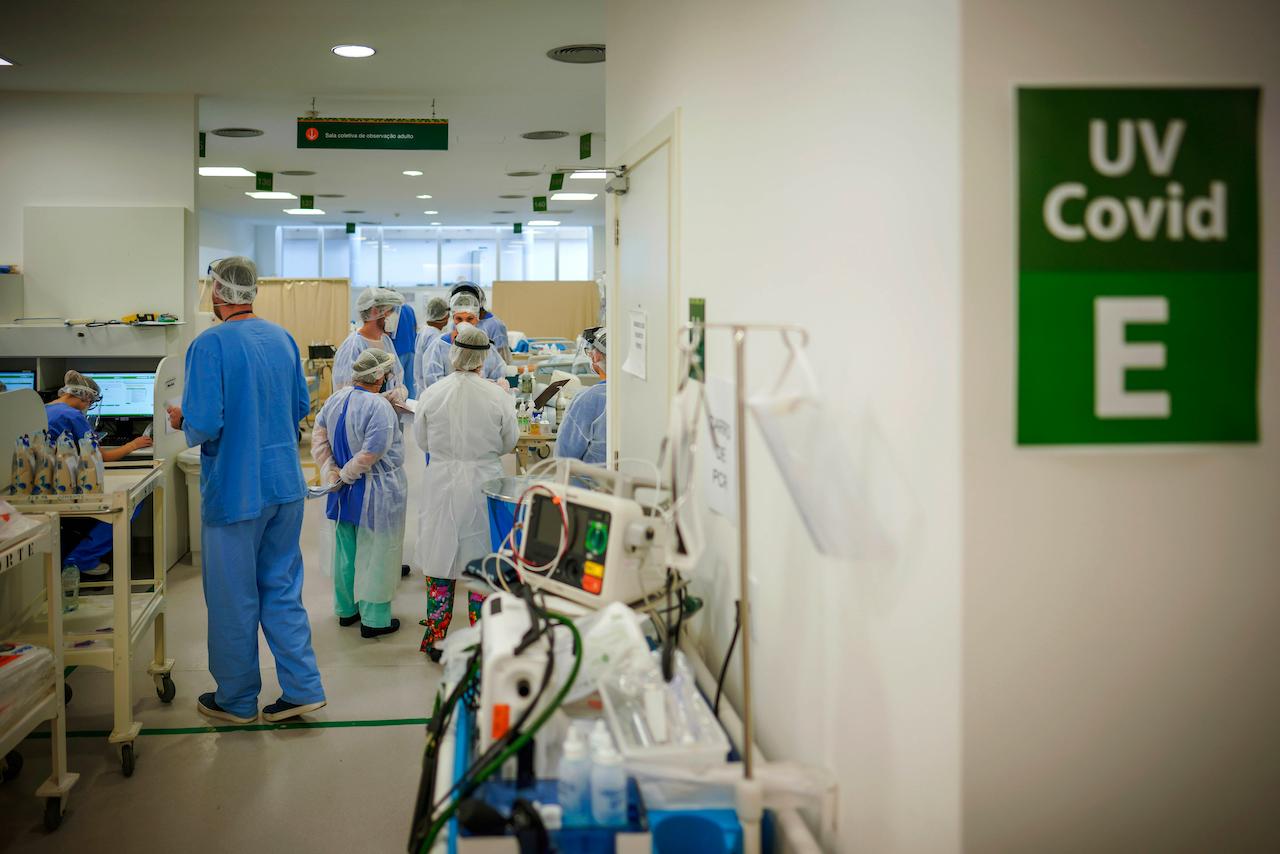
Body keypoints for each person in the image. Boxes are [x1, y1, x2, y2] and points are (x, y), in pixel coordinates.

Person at [166, 256, 325, 725]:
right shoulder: (282, 338)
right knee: (281, 587)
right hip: (284, 484)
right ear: (251, 292)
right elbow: (300, 403)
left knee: (234, 597)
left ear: (217, 292)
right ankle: (303, 689)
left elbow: (206, 422)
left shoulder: (209, 344)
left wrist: (181, 419)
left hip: (236, 491)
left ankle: (235, 699)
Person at [413, 323, 517, 661]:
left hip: (441, 480)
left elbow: (422, 441)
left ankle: (436, 635)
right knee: (480, 559)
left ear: (453, 354)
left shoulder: (433, 393)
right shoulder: (497, 395)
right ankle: (480, 638)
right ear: (483, 358)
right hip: (482, 482)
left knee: (439, 554)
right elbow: (509, 443)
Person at [312, 348, 407, 638]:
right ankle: (375, 620)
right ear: (379, 376)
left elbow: (319, 437)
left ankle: (346, 610)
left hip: (341, 492)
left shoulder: (336, 398)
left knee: (346, 552)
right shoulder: (378, 408)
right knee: (377, 553)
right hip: (375, 491)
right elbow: (373, 451)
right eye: (387, 373)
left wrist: (332, 471)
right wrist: (347, 473)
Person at [45, 371, 154, 577]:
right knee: (131, 501)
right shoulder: (72, 415)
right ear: (84, 397)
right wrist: (134, 444)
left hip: (48, 481)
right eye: (90, 401)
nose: (89, 406)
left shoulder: (46, 409)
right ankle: (81, 558)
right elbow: (102, 457)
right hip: (66, 486)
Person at [419, 290, 509, 390]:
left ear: (477, 319)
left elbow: (498, 374)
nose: (464, 323)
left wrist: (497, 384)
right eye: (459, 319)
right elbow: (432, 381)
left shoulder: (485, 345)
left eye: (470, 319)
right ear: (452, 318)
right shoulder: (439, 345)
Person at [334, 287, 407, 396]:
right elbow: (345, 390)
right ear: (375, 311)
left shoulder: (385, 341)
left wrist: (399, 391)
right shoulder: (353, 345)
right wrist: (375, 401)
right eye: (390, 311)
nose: (394, 316)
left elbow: (396, 375)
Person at [556, 328, 608, 465]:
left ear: (596, 356)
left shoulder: (587, 400)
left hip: (588, 484)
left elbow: (564, 456)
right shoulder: (635, 395)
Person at [451, 281, 511, 362]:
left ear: (478, 303)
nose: (463, 322)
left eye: (470, 319)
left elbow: (504, 360)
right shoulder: (457, 322)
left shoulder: (495, 326)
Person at [413, 297, 450, 395]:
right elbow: (432, 370)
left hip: (422, 388)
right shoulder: (434, 336)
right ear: (445, 316)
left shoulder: (424, 330)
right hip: (429, 390)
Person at [390, 298, 418, 399]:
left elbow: (390, 330)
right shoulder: (409, 309)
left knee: (399, 384)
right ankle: (412, 406)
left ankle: (402, 405)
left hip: (398, 349)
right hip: (411, 349)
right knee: (410, 383)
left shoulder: (393, 310)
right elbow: (415, 327)